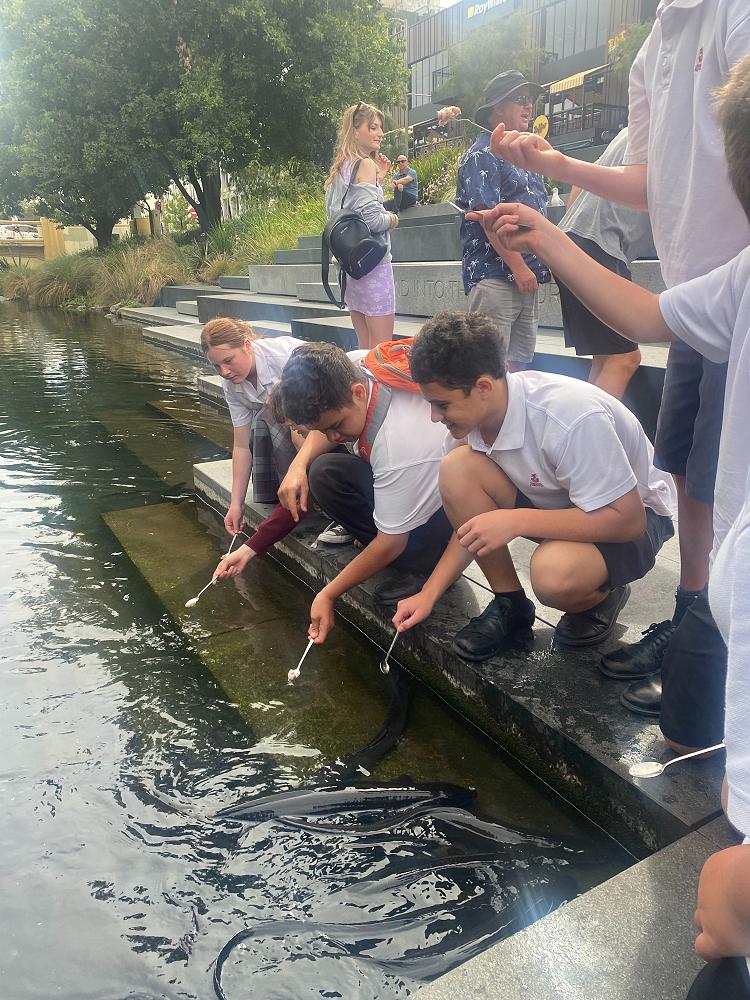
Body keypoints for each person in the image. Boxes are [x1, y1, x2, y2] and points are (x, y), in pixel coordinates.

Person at [485, 1, 750, 723]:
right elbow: (654, 186)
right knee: (688, 472)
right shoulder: (652, 49)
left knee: (727, 490)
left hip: (725, 292)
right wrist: (556, 172)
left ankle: (717, 649)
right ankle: (694, 621)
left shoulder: (732, 15)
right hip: (695, 295)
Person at [392, 311, 676, 662]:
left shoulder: (568, 417)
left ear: (483, 387)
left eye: (441, 404)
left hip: (636, 516)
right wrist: (429, 593)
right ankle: (510, 605)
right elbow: (471, 530)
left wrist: (516, 520)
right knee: (457, 469)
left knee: (553, 575)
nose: (435, 417)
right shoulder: (473, 423)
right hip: (566, 505)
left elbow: (629, 521)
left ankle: (603, 595)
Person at [274, 341, 453, 643]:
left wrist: (328, 594)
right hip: (408, 480)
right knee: (324, 471)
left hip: (444, 513)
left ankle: (424, 565)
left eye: (337, 425)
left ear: (357, 393)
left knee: (387, 536)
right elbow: (326, 427)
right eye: (323, 429)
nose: (332, 436)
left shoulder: (399, 445)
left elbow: (391, 543)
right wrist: (298, 465)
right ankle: (387, 534)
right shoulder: (357, 367)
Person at [200, 318, 353, 581]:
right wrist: (235, 504)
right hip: (300, 421)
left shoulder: (286, 358)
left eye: (228, 360)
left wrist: (299, 467)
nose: (224, 372)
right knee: (264, 422)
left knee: (300, 442)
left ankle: (320, 496)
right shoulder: (231, 384)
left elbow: (322, 414)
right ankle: (297, 494)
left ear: (247, 345)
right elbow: (241, 444)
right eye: (216, 366)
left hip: (327, 412)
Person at [448, 71, 550, 373]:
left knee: (519, 366)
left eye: (531, 100)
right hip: (497, 275)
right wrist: (519, 268)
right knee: (488, 369)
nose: (529, 106)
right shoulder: (481, 154)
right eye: (521, 99)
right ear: (498, 108)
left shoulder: (523, 155)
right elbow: (488, 219)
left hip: (527, 277)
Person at [556, 128, 654, 401]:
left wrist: (575, 240)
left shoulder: (630, 132)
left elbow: (580, 182)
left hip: (573, 238)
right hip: (600, 243)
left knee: (606, 357)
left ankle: (586, 422)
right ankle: (595, 427)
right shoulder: (668, 131)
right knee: (624, 358)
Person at [325, 102, 398, 350]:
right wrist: (393, 218)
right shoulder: (364, 164)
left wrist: (379, 180)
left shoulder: (339, 169)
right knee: (380, 351)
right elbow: (374, 220)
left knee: (364, 347)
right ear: (355, 131)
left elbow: (348, 213)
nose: (380, 133)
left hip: (349, 267)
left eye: (380, 128)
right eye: (373, 127)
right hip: (373, 265)